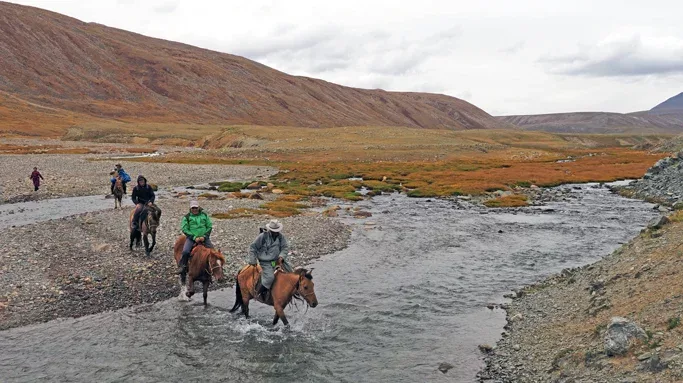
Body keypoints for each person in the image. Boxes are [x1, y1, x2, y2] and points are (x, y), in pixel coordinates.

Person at [248, 219, 292, 301]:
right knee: (269, 278)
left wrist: (281, 256)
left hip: (276, 261)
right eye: (274, 231)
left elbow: (284, 248)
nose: (276, 232)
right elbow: (253, 247)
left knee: (290, 272)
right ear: (270, 230)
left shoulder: (281, 237)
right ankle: (260, 293)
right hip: (266, 262)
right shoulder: (263, 236)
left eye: (277, 231)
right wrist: (252, 259)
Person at [176, 200, 214, 274]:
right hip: (192, 238)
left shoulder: (204, 215)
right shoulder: (186, 217)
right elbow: (184, 229)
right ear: (190, 209)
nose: (194, 209)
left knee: (213, 252)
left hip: (204, 238)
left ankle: (214, 268)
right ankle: (183, 266)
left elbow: (209, 226)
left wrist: (205, 236)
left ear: (198, 207)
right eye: (193, 208)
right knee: (185, 251)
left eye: (196, 208)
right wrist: (194, 237)